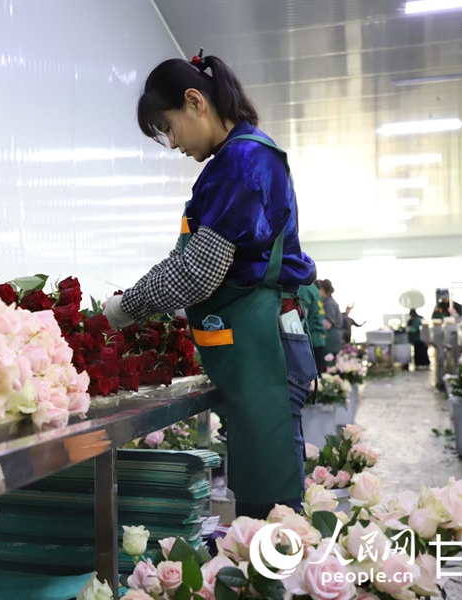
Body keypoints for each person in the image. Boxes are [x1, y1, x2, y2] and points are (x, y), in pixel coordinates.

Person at [102, 52, 317, 518]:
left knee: (271, 513)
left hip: (265, 351)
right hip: (261, 349)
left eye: (168, 128)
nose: (172, 144)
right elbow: (191, 260)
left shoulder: (241, 162)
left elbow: (197, 272)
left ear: (194, 102)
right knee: (263, 506)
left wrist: (120, 311)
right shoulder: (237, 159)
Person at [299, 281, 326, 373]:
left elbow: (301, 315)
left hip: (310, 340)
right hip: (318, 339)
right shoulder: (314, 289)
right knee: (317, 379)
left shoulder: (304, 288)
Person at [318, 280, 343, 360]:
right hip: (332, 338)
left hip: (331, 339)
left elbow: (327, 324)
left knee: (328, 365)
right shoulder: (327, 301)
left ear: (322, 290)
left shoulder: (329, 303)